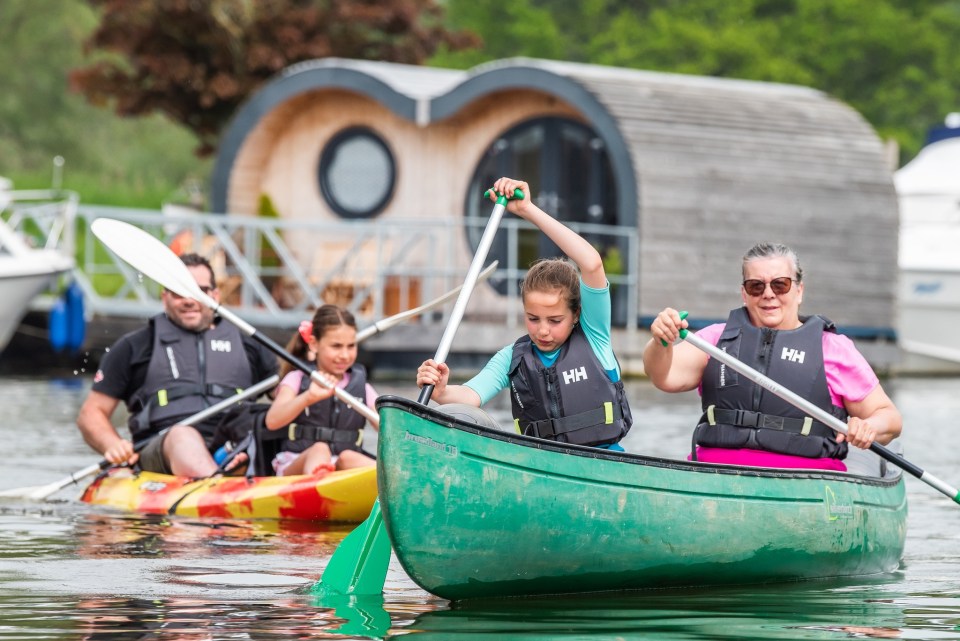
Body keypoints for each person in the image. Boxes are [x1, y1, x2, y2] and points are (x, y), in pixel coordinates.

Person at [643, 242, 902, 471]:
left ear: (799, 291)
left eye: (780, 284)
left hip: (806, 482)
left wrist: (869, 427)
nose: (768, 294)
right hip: (715, 474)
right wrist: (660, 341)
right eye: (756, 286)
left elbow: (889, 418)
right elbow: (663, 376)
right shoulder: (715, 340)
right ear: (744, 294)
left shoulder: (832, 348)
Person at [416, 177, 633, 449]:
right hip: (542, 467)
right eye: (533, 318)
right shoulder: (512, 358)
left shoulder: (594, 335)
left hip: (604, 463)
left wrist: (528, 210)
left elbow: (591, 263)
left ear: (576, 314)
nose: (542, 330)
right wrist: (442, 391)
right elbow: (471, 395)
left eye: (555, 321)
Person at [76, 253, 278, 478]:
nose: (189, 300)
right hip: (162, 448)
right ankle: (216, 484)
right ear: (165, 297)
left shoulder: (249, 346)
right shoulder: (136, 346)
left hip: (234, 441)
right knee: (182, 435)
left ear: (215, 295)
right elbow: (91, 413)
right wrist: (112, 444)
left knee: (268, 429)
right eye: (179, 292)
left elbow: (287, 392)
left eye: (199, 291)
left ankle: (234, 468)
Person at [264, 304, 380, 475]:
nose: (345, 355)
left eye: (351, 346)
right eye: (336, 346)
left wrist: (389, 425)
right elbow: (272, 421)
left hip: (341, 469)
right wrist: (308, 397)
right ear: (314, 344)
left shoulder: (362, 387)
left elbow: (388, 429)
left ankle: (395, 479)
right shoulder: (296, 379)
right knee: (320, 449)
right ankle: (320, 485)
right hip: (297, 465)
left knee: (349, 457)